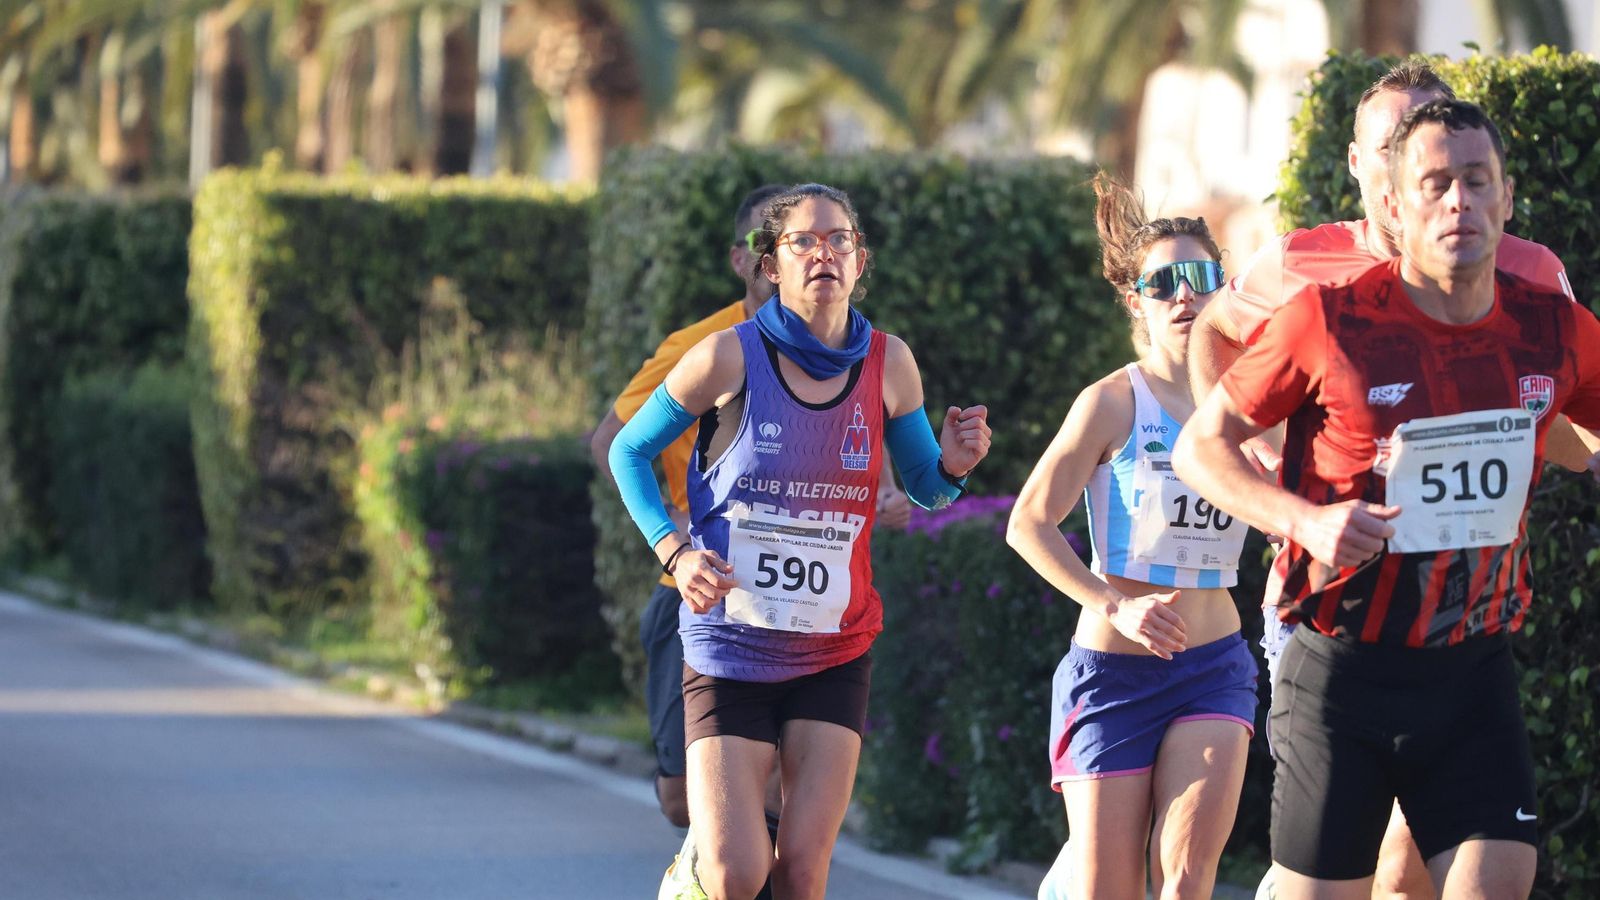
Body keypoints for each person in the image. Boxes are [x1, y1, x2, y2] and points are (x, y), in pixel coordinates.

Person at [1184, 62, 1595, 899]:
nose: (1458, 202)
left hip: (1472, 663)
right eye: (1435, 185)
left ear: (1507, 197)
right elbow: (1201, 447)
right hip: (1340, 664)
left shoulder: (1552, 323)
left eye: (1477, 182)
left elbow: (1579, 434)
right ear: (1395, 205)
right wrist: (1300, 516)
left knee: (1491, 881)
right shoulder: (1326, 315)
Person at [609, 182, 990, 899]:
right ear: (770, 265)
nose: (824, 253)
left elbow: (926, 488)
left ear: (860, 260)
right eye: (803, 241)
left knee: (804, 869)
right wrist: (675, 550)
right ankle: (689, 875)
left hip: (832, 649)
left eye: (839, 239)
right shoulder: (723, 358)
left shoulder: (890, 363)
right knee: (736, 873)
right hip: (729, 644)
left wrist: (955, 467)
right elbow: (626, 451)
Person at [1007, 174, 1257, 900]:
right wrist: (1115, 605)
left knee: (1184, 882)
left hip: (1213, 665)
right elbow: (1029, 523)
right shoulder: (1112, 403)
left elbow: (1303, 487)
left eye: (1199, 277)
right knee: (1105, 890)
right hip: (1113, 673)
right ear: (1136, 300)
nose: (1183, 295)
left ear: (1222, 285)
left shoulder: (1250, 404)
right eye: (1163, 283)